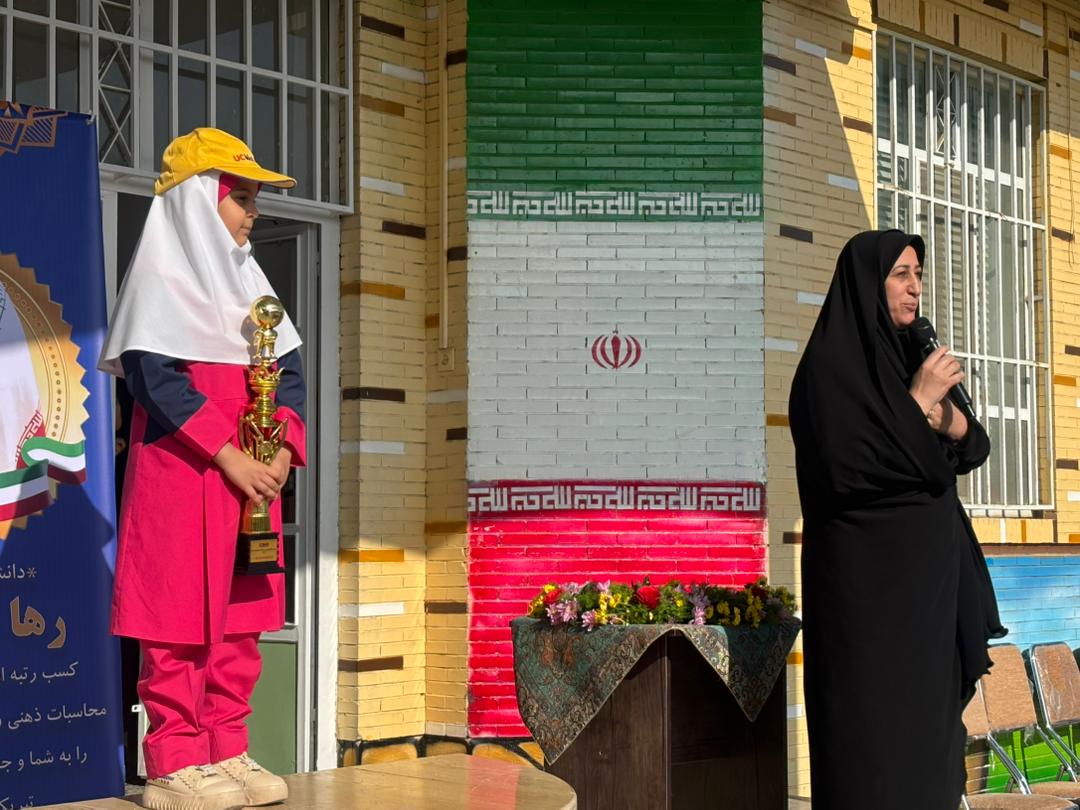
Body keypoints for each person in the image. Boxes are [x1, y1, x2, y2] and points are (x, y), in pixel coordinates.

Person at [100, 128, 306, 810]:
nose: (254, 213)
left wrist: (281, 451)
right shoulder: (160, 280)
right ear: (197, 199)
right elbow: (157, 380)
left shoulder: (253, 285)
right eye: (241, 197)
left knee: (241, 622)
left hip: (252, 483)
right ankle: (175, 763)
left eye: (254, 199)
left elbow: (290, 375)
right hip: (183, 477)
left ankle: (226, 745)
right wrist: (230, 455)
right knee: (176, 622)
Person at [788, 229, 1005, 809]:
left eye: (919, 275)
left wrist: (947, 420)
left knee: (929, 753)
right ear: (867, 282)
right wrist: (917, 400)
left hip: (927, 603)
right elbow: (849, 468)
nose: (915, 288)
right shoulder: (829, 372)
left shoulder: (908, 355)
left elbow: (973, 446)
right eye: (901, 275)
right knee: (874, 749)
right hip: (868, 607)